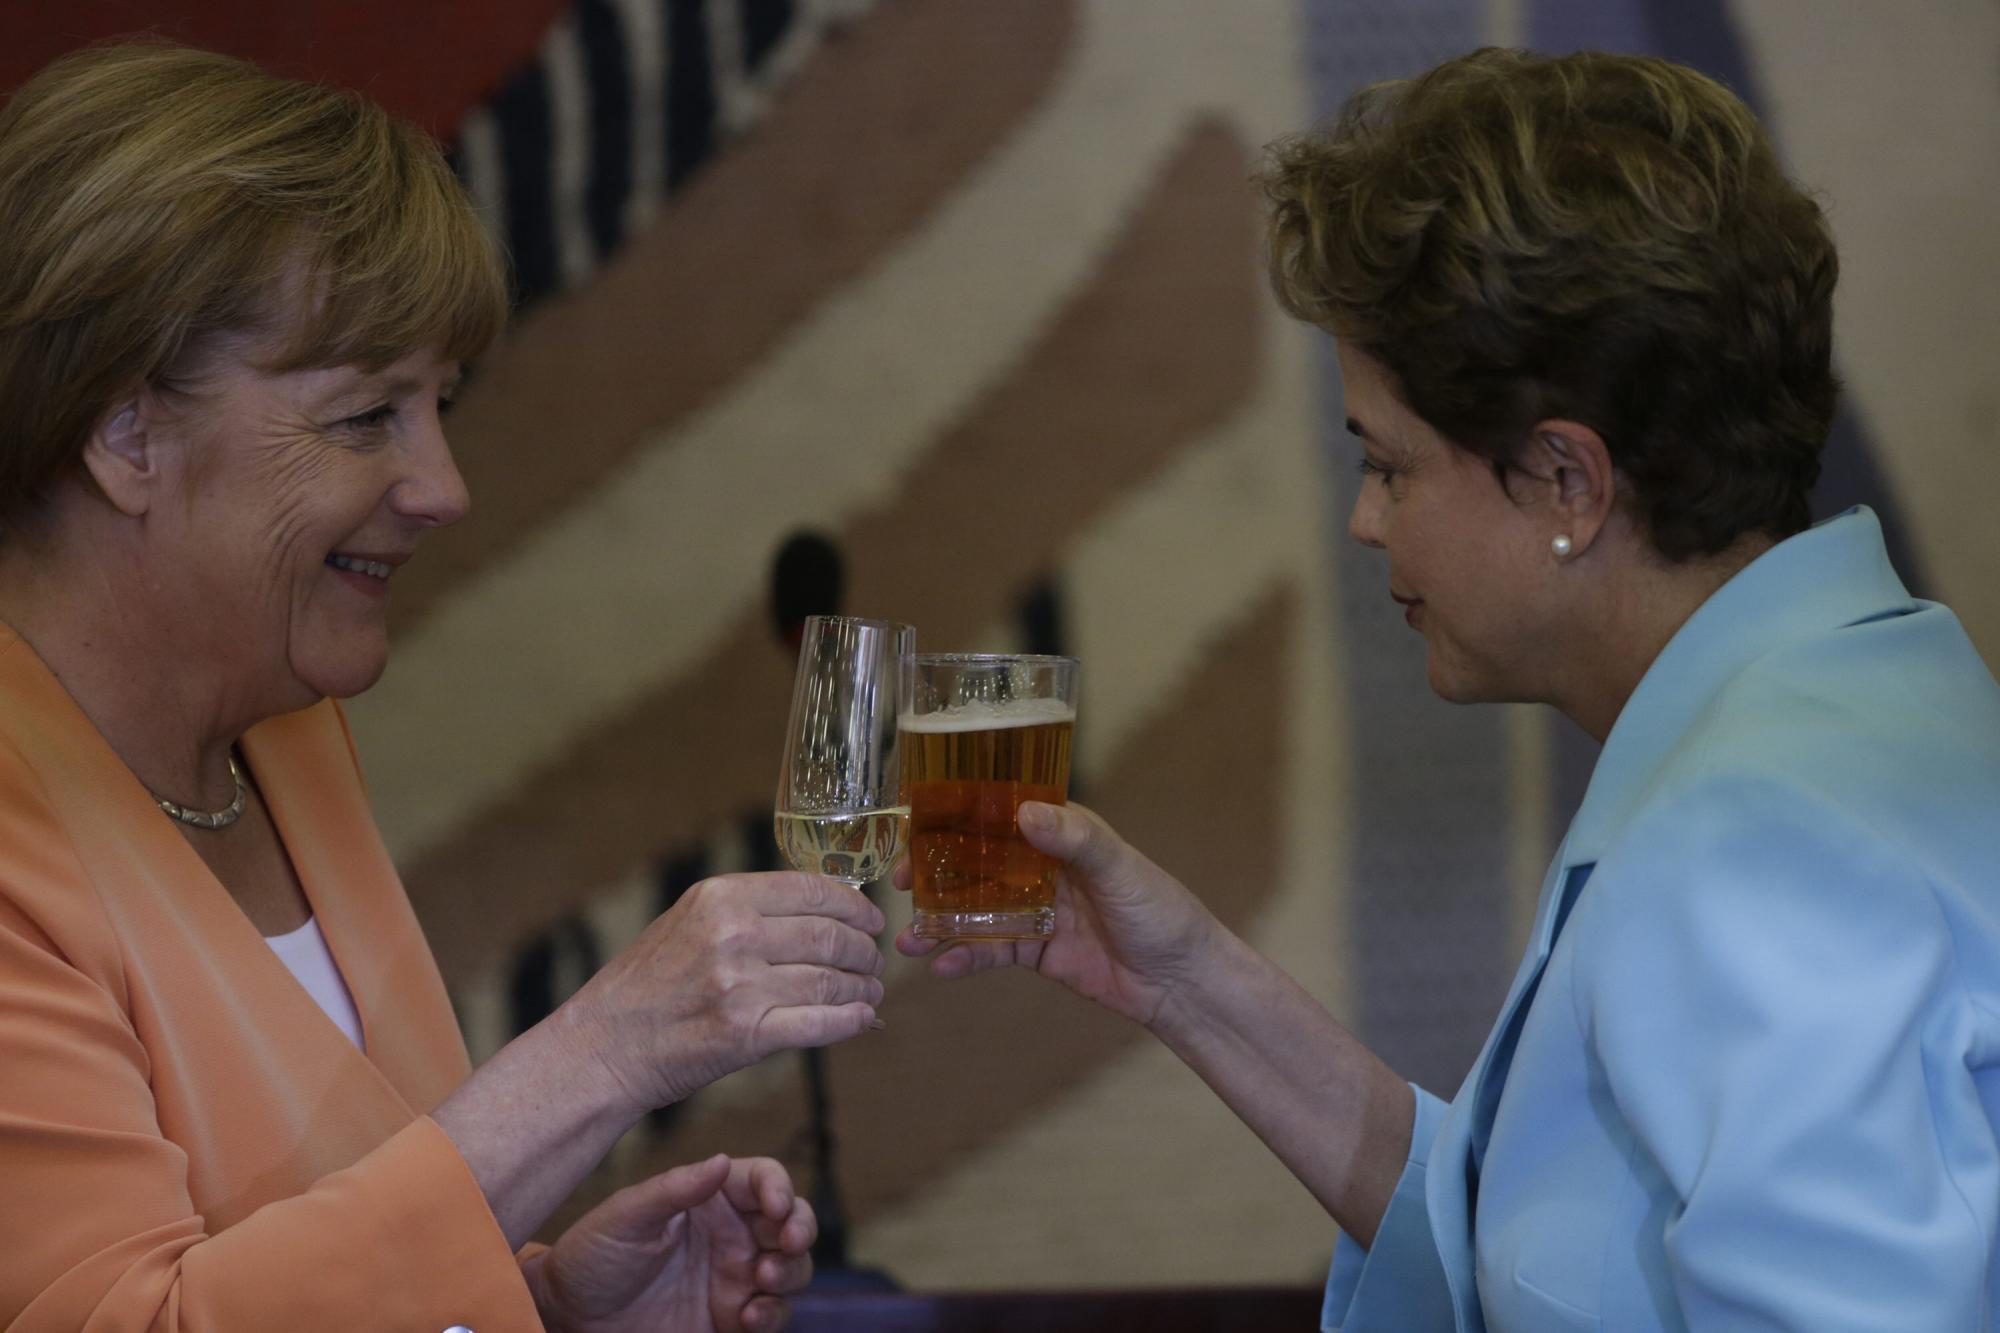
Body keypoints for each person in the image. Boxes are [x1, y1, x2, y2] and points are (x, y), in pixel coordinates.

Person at [899, 47, 2000, 1332]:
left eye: (1390, 463)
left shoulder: (1750, 840)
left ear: (1564, 485)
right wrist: (1181, 980)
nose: (1365, 521)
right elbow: (1533, 1258)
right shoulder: (1871, 689)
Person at [0, 42, 888, 1332]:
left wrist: (552, 1303)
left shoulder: (292, 738)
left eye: (441, 405)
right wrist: (604, 1048)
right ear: (126, 433)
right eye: (367, 416)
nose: (443, 488)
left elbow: (314, 1254)